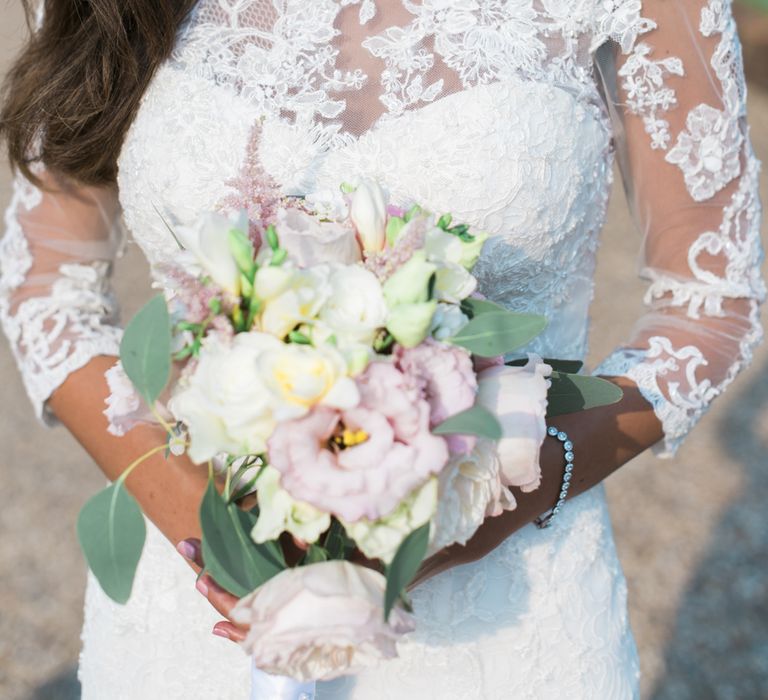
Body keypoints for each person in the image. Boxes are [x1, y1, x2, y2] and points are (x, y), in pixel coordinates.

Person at [0, 1, 762, 698]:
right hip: (197, 619)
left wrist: (470, 512)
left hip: (509, 611)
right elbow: (47, 290)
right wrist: (217, 540)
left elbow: (710, 307)